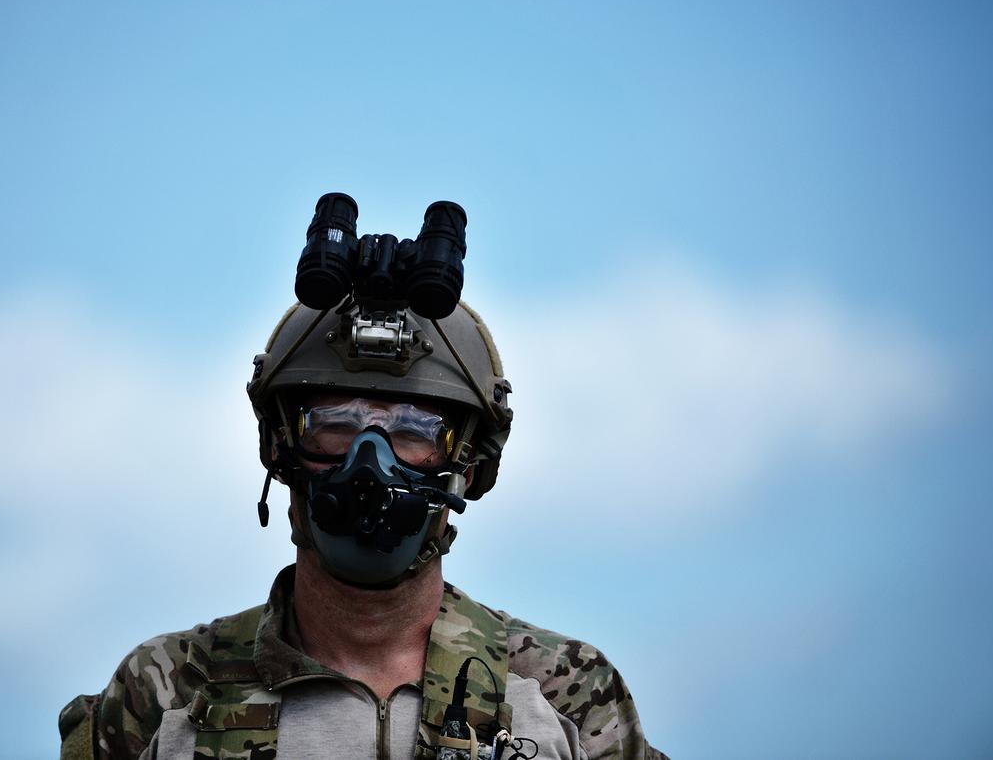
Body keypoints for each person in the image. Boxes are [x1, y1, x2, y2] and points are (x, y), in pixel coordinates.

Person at [59, 197, 666, 760]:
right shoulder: (164, 693)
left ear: (470, 465)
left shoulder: (566, 694)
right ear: (280, 446)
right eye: (334, 423)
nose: (367, 461)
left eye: (413, 430)